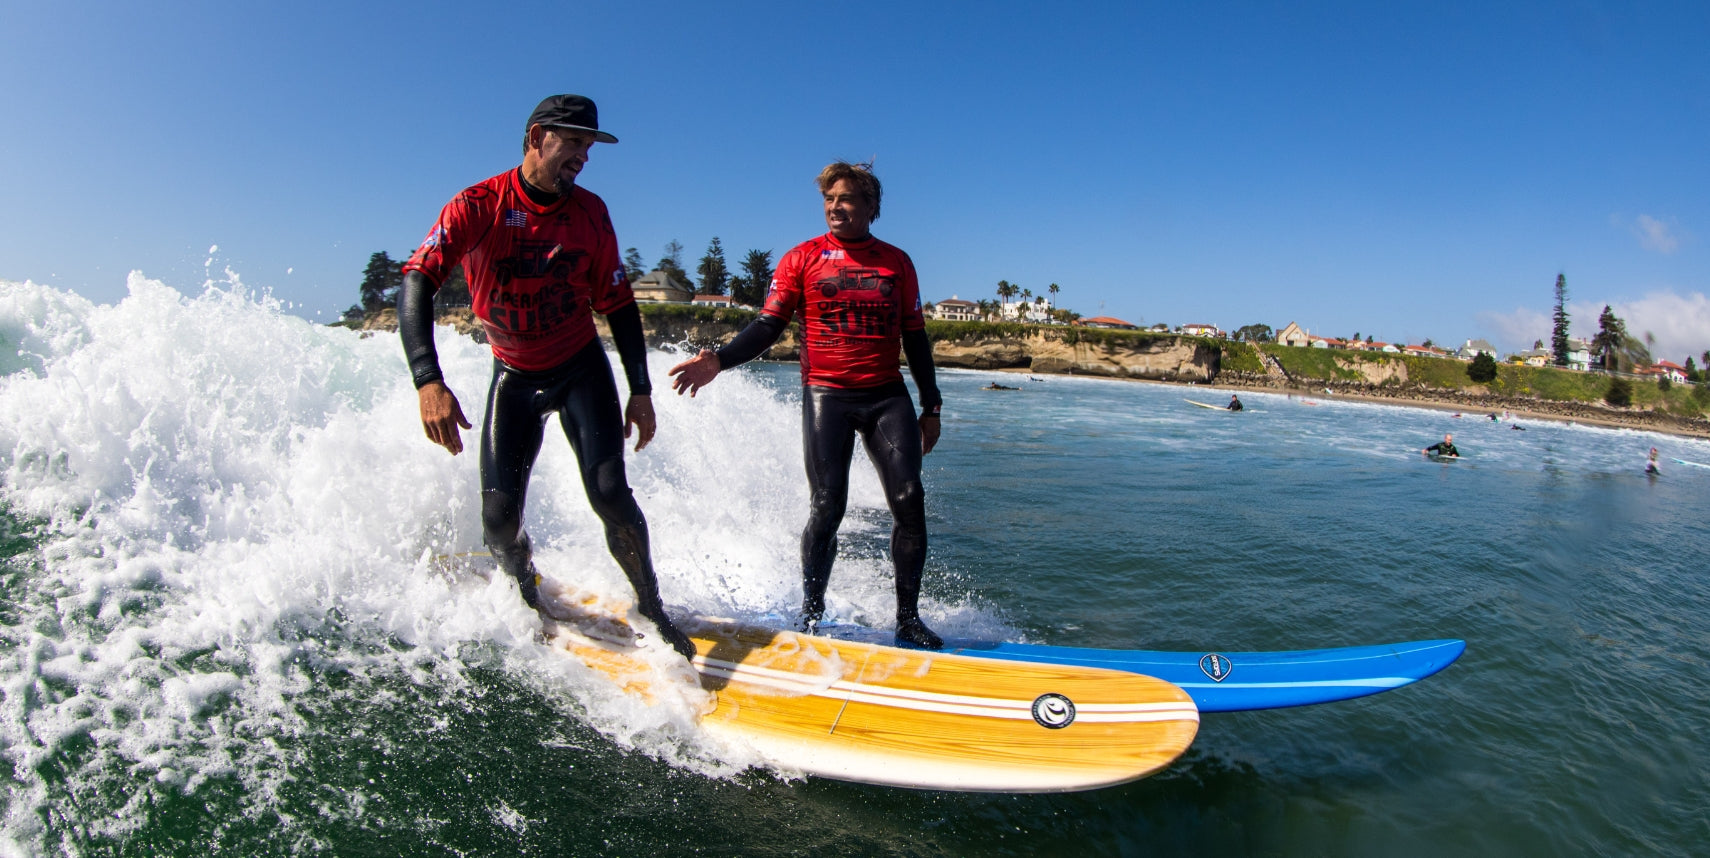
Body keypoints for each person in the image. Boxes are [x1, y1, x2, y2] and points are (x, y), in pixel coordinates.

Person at [397, 94, 694, 660]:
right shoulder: (477, 204)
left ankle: (652, 605)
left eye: (590, 145)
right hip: (512, 374)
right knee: (498, 520)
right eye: (575, 142)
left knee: (610, 494)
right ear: (537, 137)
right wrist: (427, 379)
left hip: (580, 368)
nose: (584, 155)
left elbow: (619, 304)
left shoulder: (591, 213)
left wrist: (641, 389)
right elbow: (417, 280)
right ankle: (525, 588)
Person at [667, 161, 946, 650]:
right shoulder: (802, 258)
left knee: (909, 500)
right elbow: (767, 326)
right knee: (827, 505)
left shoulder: (896, 262)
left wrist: (932, 406)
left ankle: (908, 619)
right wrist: (720, 360)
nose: (835, 207)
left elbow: (916, 337)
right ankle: (811, 617)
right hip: (827, 394)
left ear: (871, 208)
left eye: (847, 199)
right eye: (829, 199)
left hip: (886, 395)